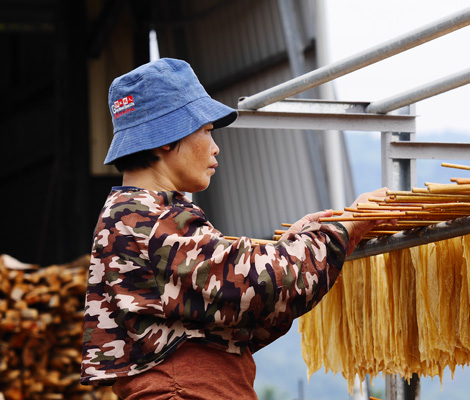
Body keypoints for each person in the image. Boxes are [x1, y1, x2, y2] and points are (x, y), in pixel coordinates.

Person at [80, 58, 389, 399]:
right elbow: (265, 284)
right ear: (167, 139)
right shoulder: (149, 221)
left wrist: (294, 244)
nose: (215, 147)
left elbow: (234, 308)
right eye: (207, 131)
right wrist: (345, 228)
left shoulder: (137, 218)